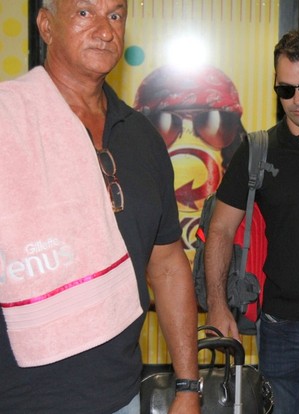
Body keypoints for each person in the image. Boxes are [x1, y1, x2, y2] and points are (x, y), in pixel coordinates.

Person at [0, 1, 200, 413]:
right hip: (19, 396)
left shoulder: (142, 137)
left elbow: (166, 264)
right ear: (46, 25)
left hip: (121, 393)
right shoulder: (9, 122)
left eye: (115, 15)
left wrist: (187, 386)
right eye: (84, 13)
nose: (105, 30)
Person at [203, 28, 299, 414]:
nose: (298, 101)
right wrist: (218, 307)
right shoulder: (257, 150)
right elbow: (220, 229)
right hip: (283, 320)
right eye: (285, 91)